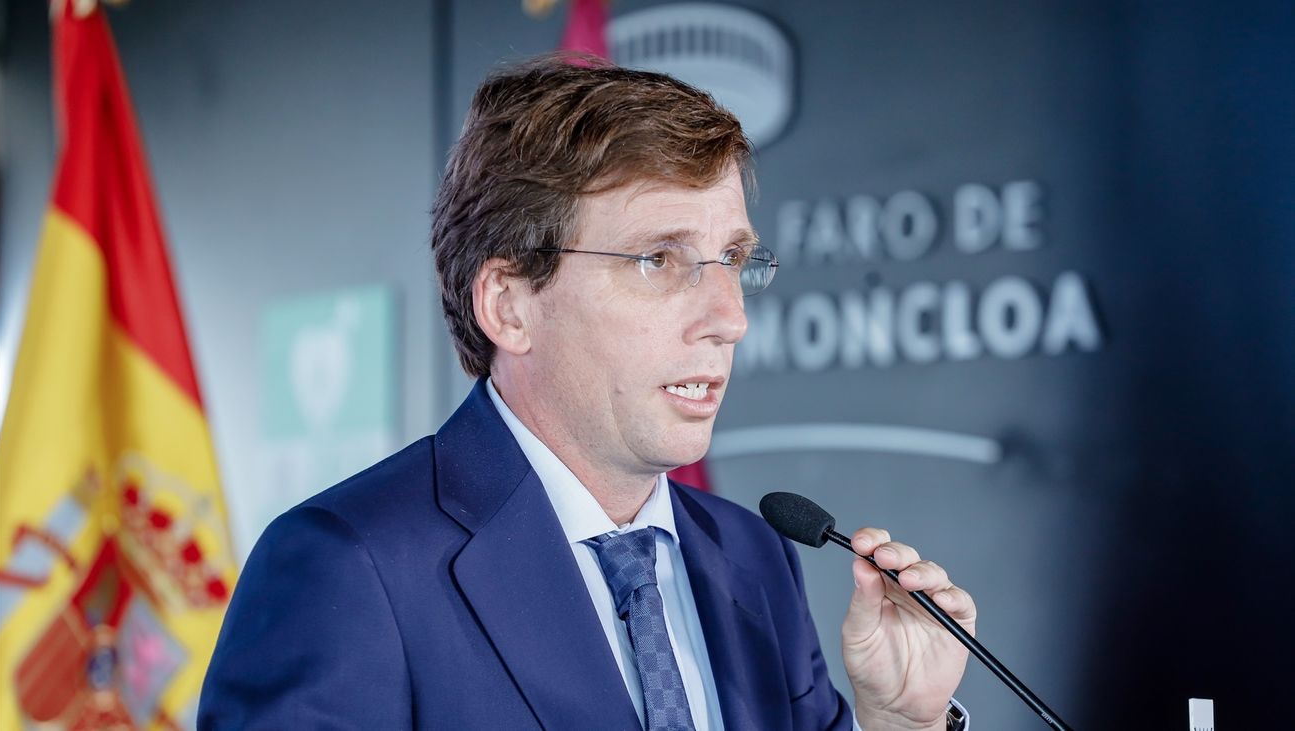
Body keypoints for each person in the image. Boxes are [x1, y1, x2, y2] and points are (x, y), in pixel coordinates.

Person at [199, 55, 976, 731]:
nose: (731, 319)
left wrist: (901, 723)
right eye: (659, 259)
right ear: (509, 304)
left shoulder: (752, 557)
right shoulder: (350, 566)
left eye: (735, 259)